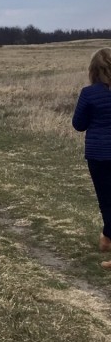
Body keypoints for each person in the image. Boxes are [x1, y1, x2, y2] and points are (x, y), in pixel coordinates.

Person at [71, 48, 111, 268]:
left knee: (107, 201)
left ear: (93, 70)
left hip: (100, 155)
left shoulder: (89, 93)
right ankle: (106, 237)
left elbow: (78, 125)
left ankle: (107, 236)